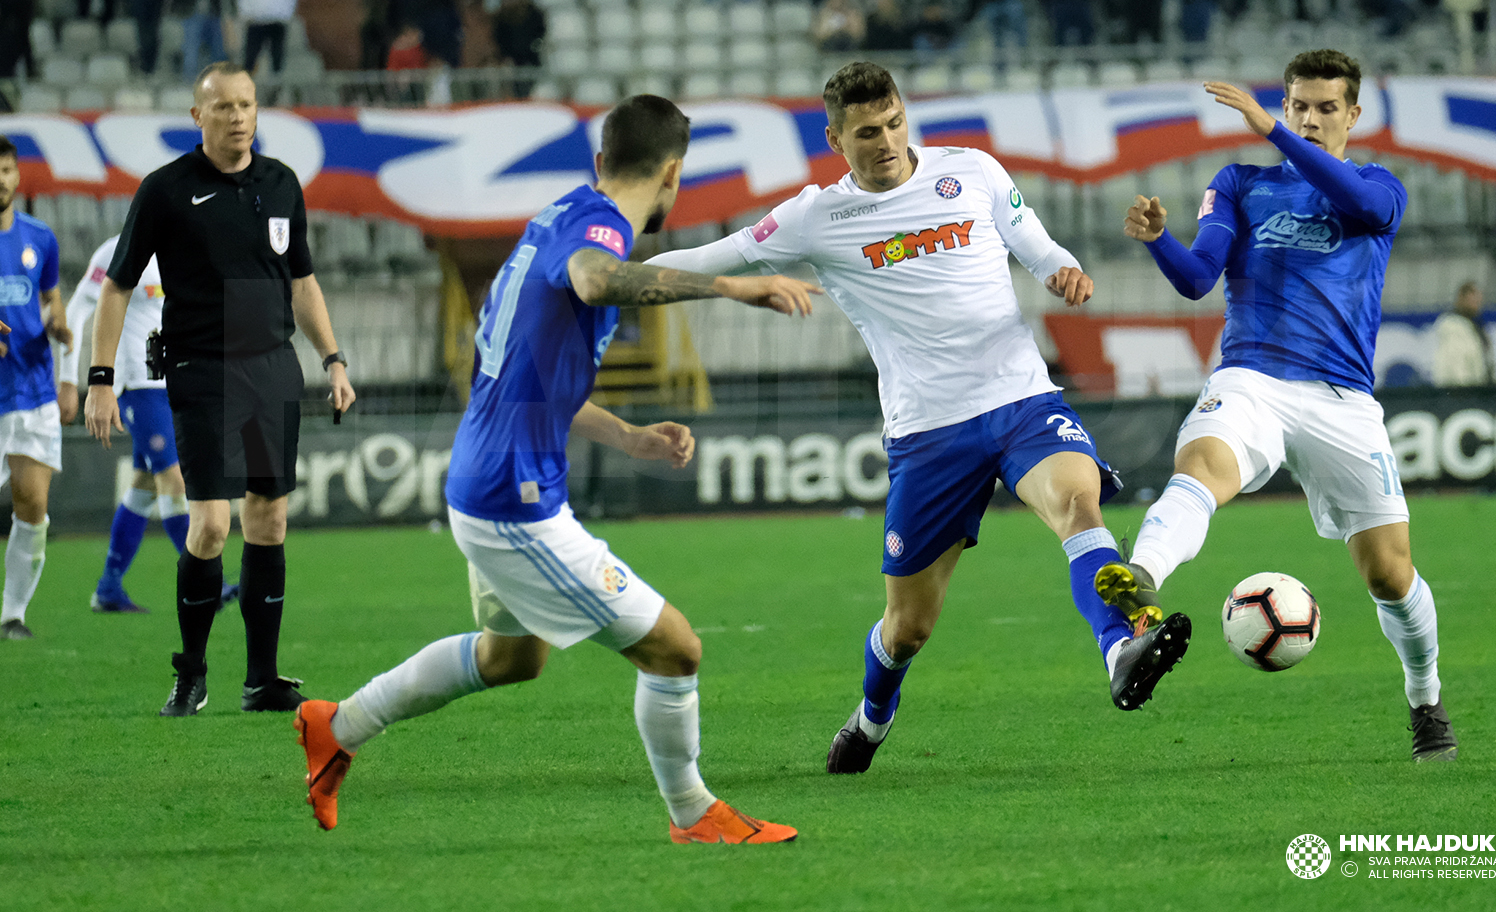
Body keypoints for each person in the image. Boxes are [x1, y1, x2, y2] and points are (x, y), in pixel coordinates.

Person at [291, 95, 816, 842]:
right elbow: (599, 279)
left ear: (601, 163)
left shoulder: (559, 214)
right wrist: (732, 285)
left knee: (512, 657)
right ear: (673, 175)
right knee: (675, 649)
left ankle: (336, 726)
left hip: (487, 478)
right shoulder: (596, 236)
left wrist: (628, 436)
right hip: (515, 500)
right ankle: (694, 813)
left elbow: (530, 375)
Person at [648, 63, 1192, 776]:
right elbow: (708, 261)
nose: (887, 141)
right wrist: (610, 276)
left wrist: (1061, 269)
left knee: (1078, 505)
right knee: (907, 630)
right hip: (929, 434)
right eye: (867, 132)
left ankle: (1122, 646)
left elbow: (1032, 240)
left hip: (1022, 400)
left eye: (896, 122)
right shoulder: (817, 216)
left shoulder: (971, 171)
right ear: (836, 138)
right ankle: (873, 719)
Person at [1117, 50, 1458, 763]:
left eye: (1326, 108)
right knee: (1204, 464)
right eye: (1299, 105)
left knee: (1390, 575)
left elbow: (1362, 209)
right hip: (1253, 378)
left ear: (1353, 115)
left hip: (1340, 397)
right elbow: (1197, 278)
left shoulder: (1376, 185)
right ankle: (1140, 579)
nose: (1310, 118)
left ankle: (1424, 699)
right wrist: (1158, 243)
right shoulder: (1241, 183)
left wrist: (1273, 130)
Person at [85, 62, 356, 716]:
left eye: (247, 105)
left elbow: (302, 281)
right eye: (224, 106)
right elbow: (116, 287)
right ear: (197, 116)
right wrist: (101, 380)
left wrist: (333, 358)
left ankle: (261, 679)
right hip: (201, 367)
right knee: (209, 523)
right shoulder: (167, 190)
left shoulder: (281, 184)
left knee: (269, 518)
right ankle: (192, 671)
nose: (237, 117)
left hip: (271, 366)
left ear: (258, 111)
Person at [59, 235, 228, 613]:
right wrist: (70, 378)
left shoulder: (184, 247)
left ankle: (108, 588)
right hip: (137, 382)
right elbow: (76, 311)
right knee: (175, 478)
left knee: (145, 485)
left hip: (174, 381)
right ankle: (206, 583)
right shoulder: (118, 250)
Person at [0, 135, 64, 641]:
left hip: (34, 390)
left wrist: (60, 328)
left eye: (5, 170)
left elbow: (52, 301)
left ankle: (12, 614)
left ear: (16, 176)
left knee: (32, 505)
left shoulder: (39, 238)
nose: (0, 180)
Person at [1433, 281, 1492, 387]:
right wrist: (1466, 393)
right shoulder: (1453, 327)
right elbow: (1457, 366)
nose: (1477, 304)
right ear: (1461, 298)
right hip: (1462, 393)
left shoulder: (1476, 327)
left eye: (1478, 300)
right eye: (1473, 300)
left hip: (1475, 390)